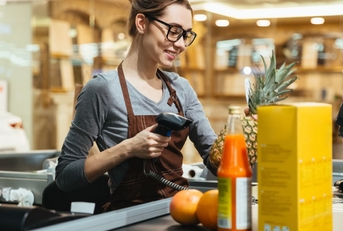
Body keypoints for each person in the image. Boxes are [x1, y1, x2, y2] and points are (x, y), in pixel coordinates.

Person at [55, 0, 218, 211]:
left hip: (180, 212)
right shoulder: (102, 90)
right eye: (174, 31)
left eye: (186, 34)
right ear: (142, 23)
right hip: (128, 218)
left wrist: (252, 137)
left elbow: (217, 161)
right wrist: (129, 148)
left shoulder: (181, 88)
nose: (181, 44)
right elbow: (66, 176)